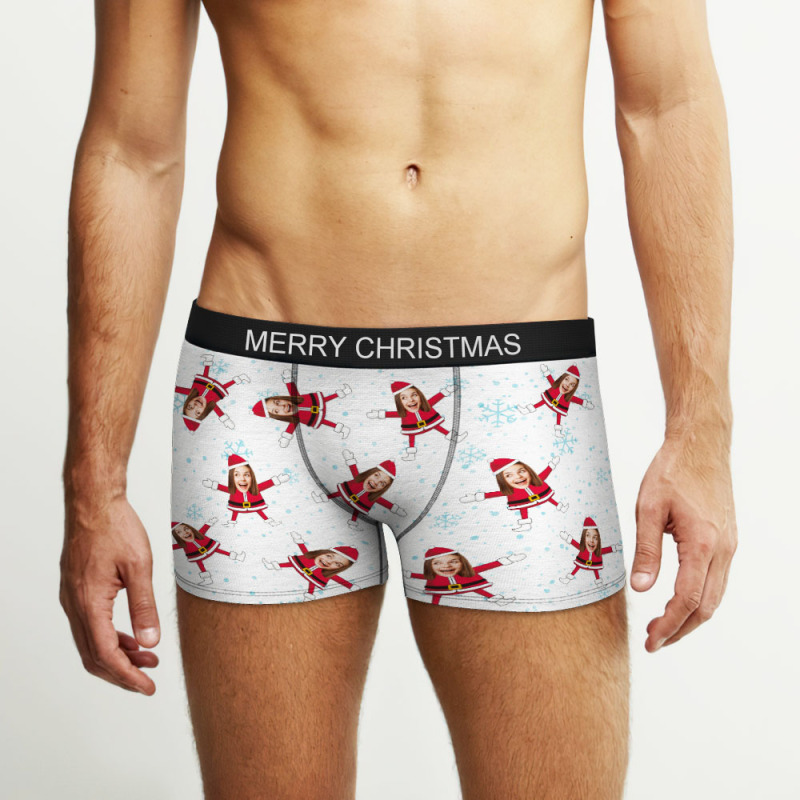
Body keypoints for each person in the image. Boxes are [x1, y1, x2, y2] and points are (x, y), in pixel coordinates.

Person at [59, 1, 737, 798]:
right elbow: (131, 150)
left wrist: (702, 431)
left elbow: (667, 104)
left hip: (520, 394)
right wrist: (93, 489)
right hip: (258, 392)